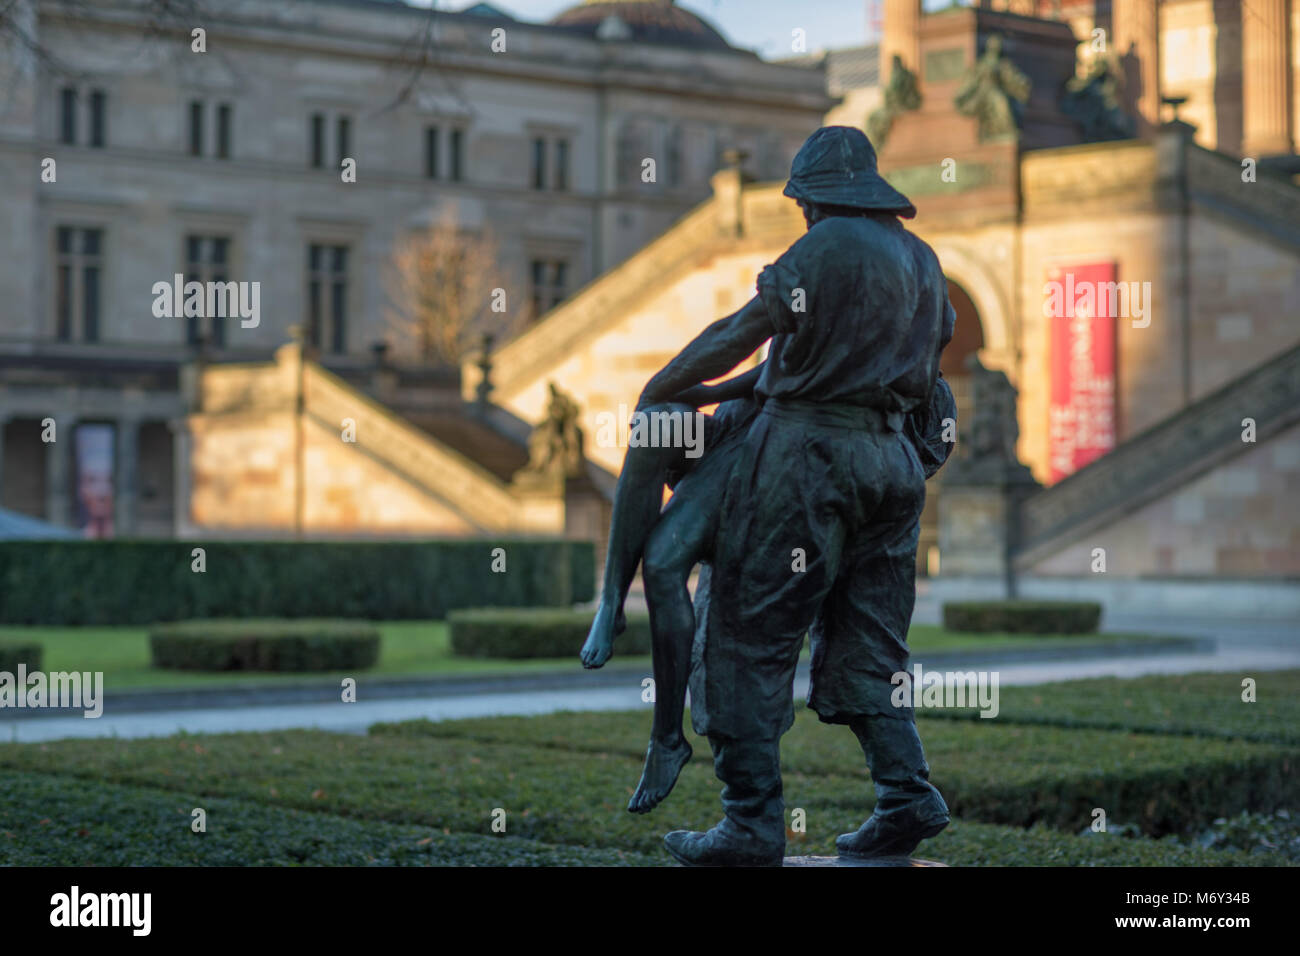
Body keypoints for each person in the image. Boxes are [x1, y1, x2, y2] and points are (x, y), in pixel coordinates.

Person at [581, 126, 957, 865]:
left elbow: (741, 333)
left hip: (807, 457)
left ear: (814, 198)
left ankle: (750, 822)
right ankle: (907, 794)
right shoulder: (923, 260)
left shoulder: (826, 246)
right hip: (892, 466)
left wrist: (658, 389)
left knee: (746, 635)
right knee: (870, 644)